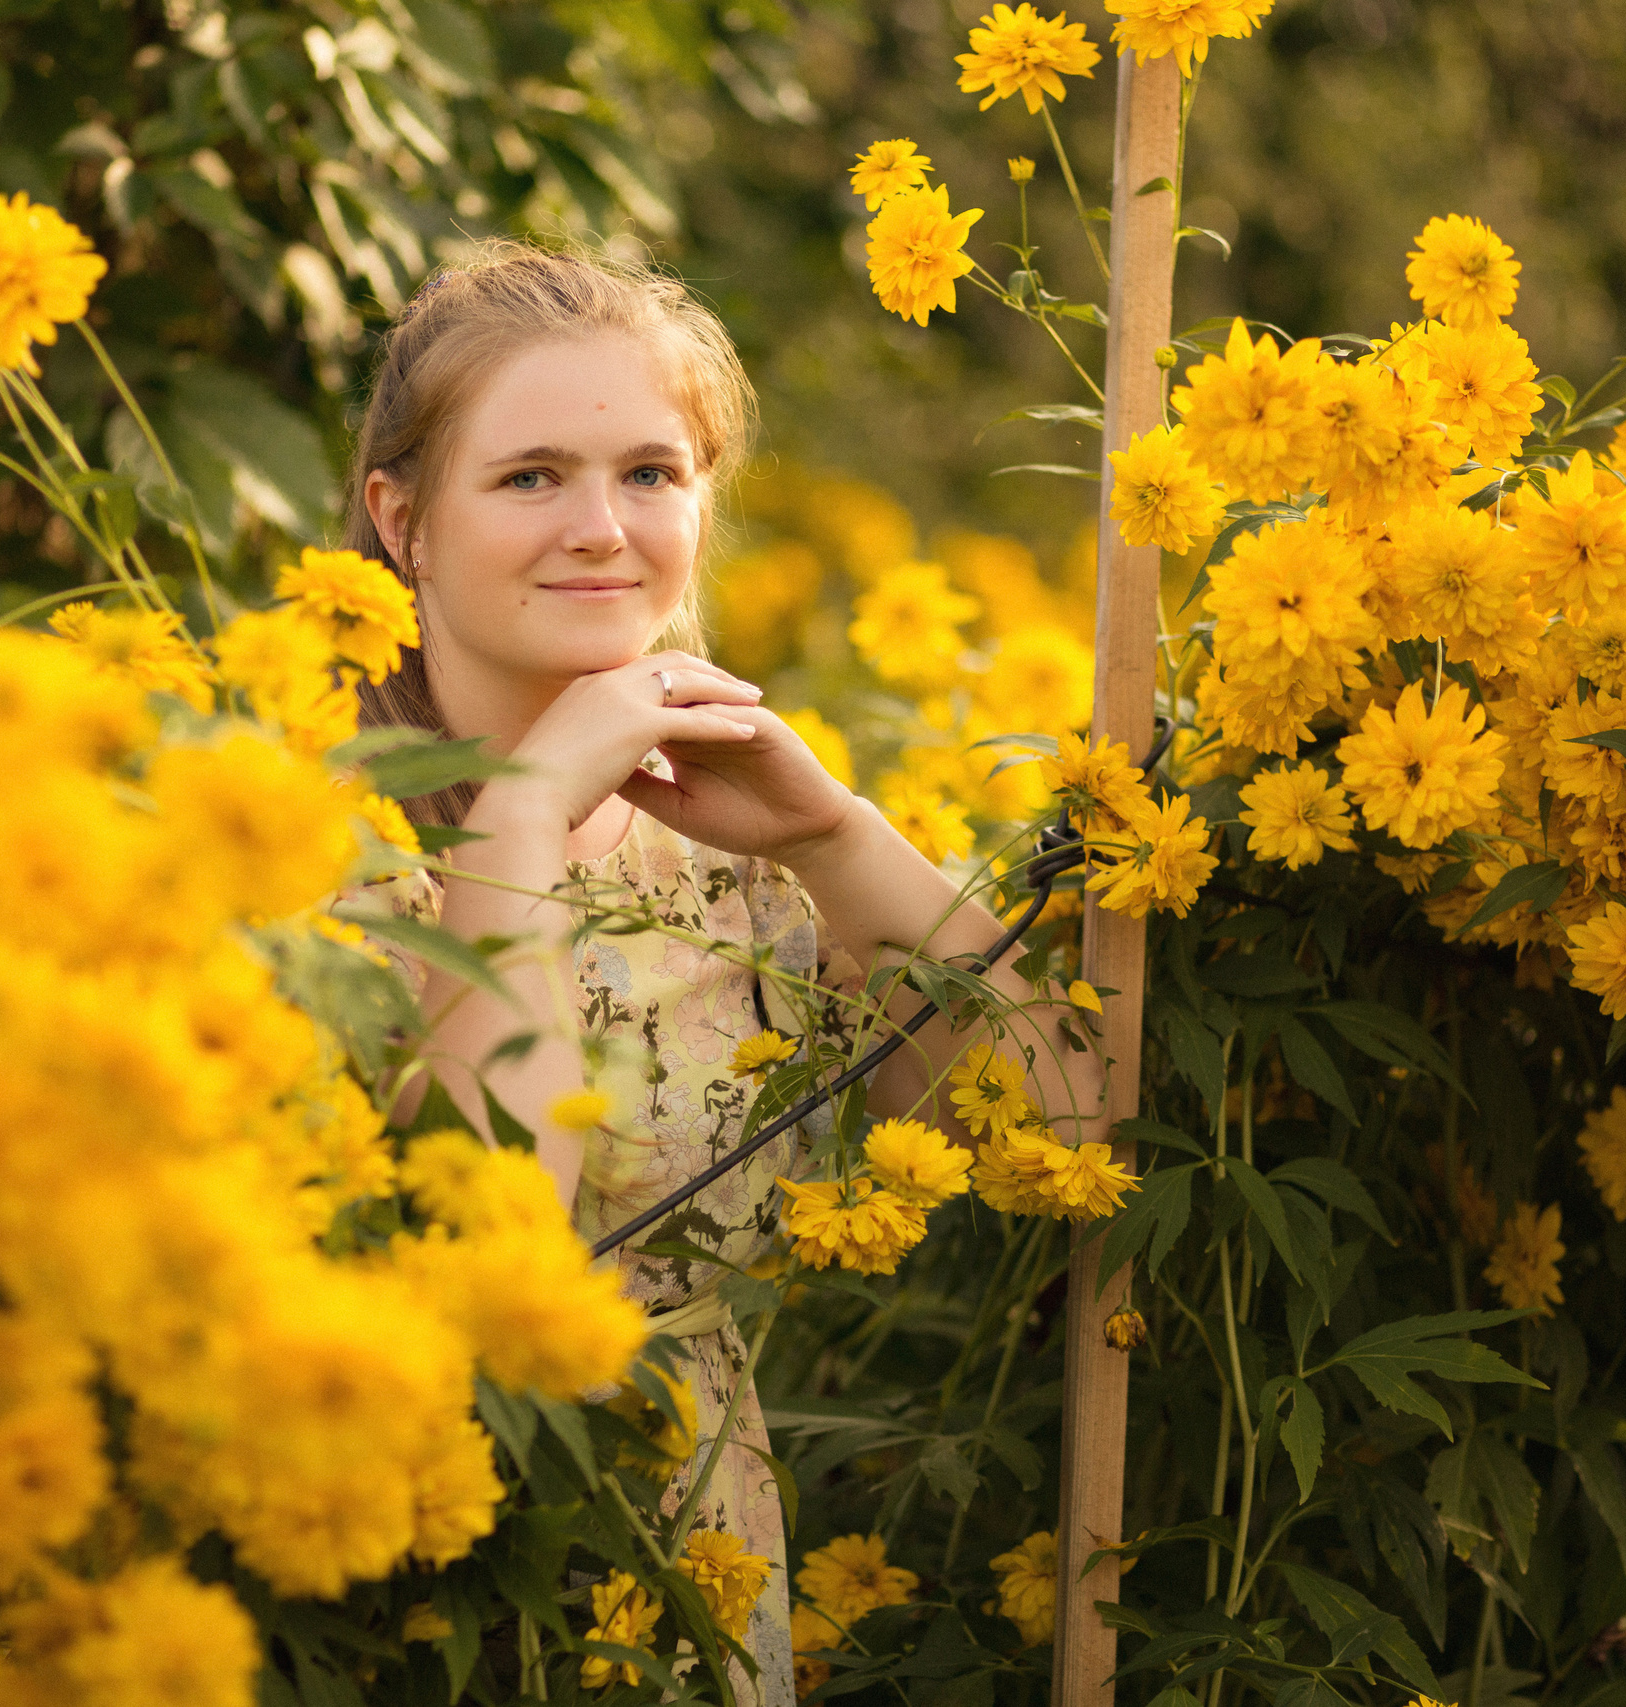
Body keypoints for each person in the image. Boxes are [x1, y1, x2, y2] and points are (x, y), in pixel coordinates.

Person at [343, 241, 1088, 1701]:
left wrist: (835, 835)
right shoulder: (316, 851)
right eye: (530, 477)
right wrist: (519, 817)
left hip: (703, 1588)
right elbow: (491, 1254)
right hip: (433, 1597)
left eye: (650, 474)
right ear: (401, 519)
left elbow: (1065, 1131)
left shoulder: (733, 854)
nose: (600, 531)